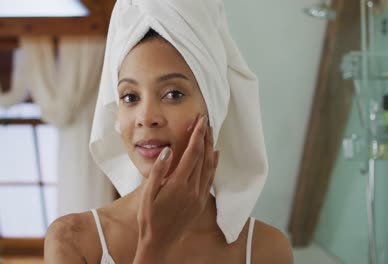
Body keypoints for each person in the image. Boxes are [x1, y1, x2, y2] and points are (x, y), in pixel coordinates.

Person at [45, 1, 293, 263]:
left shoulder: (266, 250)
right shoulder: (73, 239)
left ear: (213, 107)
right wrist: (156, 244)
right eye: (130, 97)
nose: (146, 118)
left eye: (173, 94)